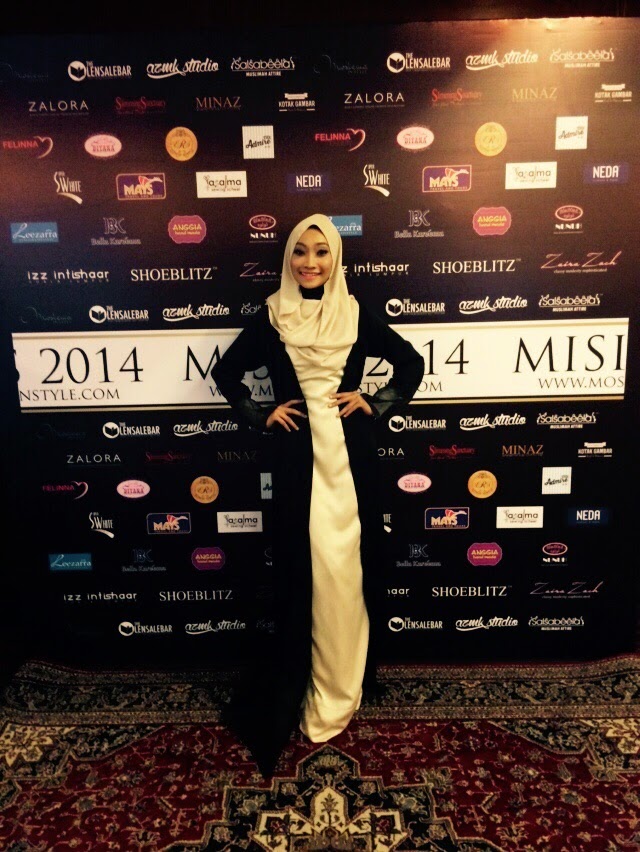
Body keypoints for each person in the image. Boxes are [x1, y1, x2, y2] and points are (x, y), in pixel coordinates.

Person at [211, 213, 424, 775]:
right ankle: (304, 681)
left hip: (351, 465)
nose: (310, 262)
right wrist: (261, 412)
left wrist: (374, 401)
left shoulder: (354, 312)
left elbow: (410, 363)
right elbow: (228, 373)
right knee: (308, 572)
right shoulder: (271, 316)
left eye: (321, 251)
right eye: (300, 251)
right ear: (288, 258)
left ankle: (344, 682)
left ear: (336, 259)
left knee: (345, 571)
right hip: (296, 464)